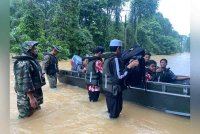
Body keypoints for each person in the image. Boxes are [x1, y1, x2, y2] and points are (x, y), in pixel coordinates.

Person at [102, 39, 139, 119]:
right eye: (121, 49)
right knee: (115, 116)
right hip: (114, 91)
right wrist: (130, 66)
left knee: (111, 112)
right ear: (118, 49)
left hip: (108, 89)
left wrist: (127, 65)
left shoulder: (107, 58)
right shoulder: (115, 59)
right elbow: (119, 77)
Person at [13, 41, 46, 118]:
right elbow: (25, 80)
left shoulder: (31, 60)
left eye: (35, 48)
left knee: (36, 116)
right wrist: (31, 97)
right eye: (33, 48)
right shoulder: (23, 62)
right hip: (26, 97)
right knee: (25, 118)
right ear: (27, 49)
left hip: (34, 93)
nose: (35, 50)